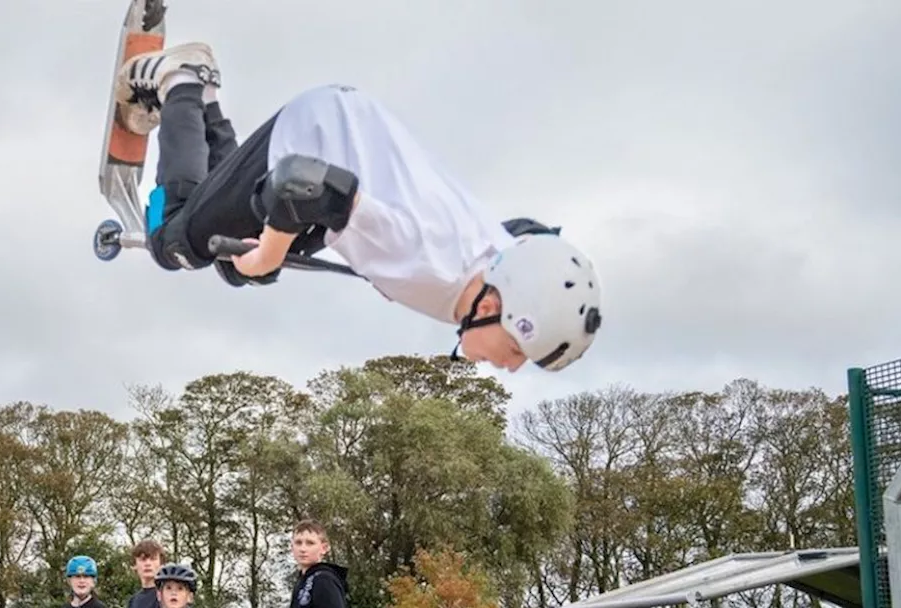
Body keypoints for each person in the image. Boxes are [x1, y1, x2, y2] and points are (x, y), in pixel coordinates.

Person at [113, 42, 602, 373]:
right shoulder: (425, 254)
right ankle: (180, 83)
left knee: (239, 268)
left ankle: (206, 98)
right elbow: (298, 183)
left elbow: (531, 233)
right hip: (314, 145)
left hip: (344, 143)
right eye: (517, 350)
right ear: (491, 307)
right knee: (177, 243)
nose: (513, 366)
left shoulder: (502, 257)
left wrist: (262, 258)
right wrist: (269, 253)